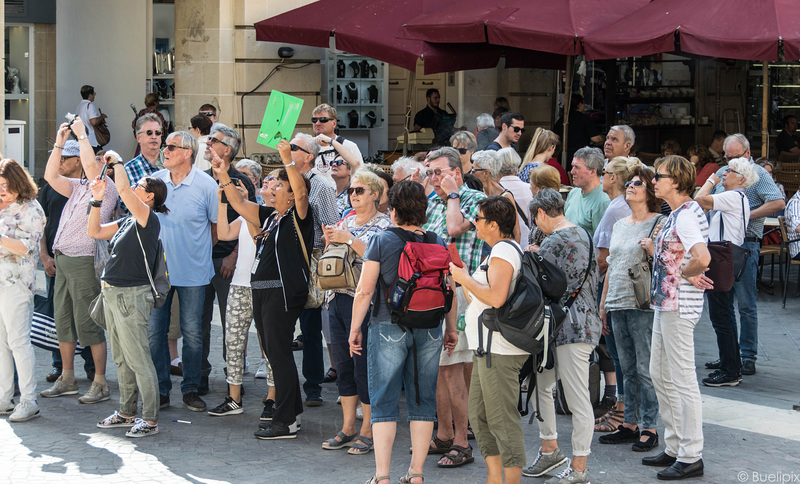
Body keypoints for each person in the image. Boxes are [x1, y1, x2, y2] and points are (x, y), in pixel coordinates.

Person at [348, 181, 458, 484]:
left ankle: (382, 475)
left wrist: (355, 328)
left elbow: (364, 290)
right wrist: (451, 328)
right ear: (423, 210)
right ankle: (416, 473)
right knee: (422, 400)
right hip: (431, 326)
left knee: (384, 399)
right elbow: (450, 290)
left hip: (388, 325)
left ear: (392, 209)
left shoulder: (382, 241)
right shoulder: (437, 240)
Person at [217, 139, 312, 440]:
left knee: (279, 356)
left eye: (276, 182)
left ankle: (284, 420)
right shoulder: (271, 216)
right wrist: (222, 174)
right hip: (263, 290)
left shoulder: (299, 216)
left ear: (289, 192)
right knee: (275, 353)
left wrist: (286, 159)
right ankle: (292, 415)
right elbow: (238, 204)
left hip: (282, 293)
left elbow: (300, 191)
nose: (270, 184)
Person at [521, 188, 600, 484]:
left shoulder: (553, 240)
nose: (535, 228)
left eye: (535, 220)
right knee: (542, 386)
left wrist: (533, 257)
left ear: (541, 213)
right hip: (583, 323)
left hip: (567, 327)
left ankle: (579, 468)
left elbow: (542, 286)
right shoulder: (583, 233)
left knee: (576, 399)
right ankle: (550, 448)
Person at [88, 153, 169, 438]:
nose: (134, 186)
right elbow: (94, 230)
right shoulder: (127, 221)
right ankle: (126, 412)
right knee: (122, 359)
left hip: (131, 296)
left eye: (140, 186)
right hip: (112, 294)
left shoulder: (149, 218)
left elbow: (122, 189)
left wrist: (119, 163)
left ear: (150, 197)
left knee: (138, 359)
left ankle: (149, 418)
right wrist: (97, 200)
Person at [448, 196, 527, 484]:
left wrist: (465, 279)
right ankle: (494, 478)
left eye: (479, 219)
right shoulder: (496, 251)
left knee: (502, 420)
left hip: (501, 350)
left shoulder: (503, 252)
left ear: (494, 224)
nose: (475, 224)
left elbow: (496, 297)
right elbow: (479, 299)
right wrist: (464, 276)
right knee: (480, 418)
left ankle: (510, 480)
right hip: (487, 347)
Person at [643, 155, 712, 480]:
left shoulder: (684, 215)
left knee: (682, 379)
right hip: (666, 303)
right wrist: (684, 270)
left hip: (678, 305)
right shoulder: (680, 213)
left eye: (660, 175)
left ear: (678, 181)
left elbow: (701, 256)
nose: (654, 180)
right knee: (660, 372)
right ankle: (675, 445)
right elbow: (680, 256)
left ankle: (690, 454)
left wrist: (686, 273)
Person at [40, 120, 118, 404]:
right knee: (63, 320)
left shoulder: (106, 188)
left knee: (89, 323)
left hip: (84, 261)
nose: (92, 162)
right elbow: (50, 175)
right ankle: (68, 378)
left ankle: (99, 381)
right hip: (63, 261)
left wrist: (82, 135)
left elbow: (89, 164)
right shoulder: (77, 186)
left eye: (98, 159)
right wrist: (60, 142)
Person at [320, 169, 392, 455]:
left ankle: (367, 428)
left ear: (375, 194)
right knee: (343, 365)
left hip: (363, 302)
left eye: (359, 190)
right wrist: (330, 239)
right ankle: (348, 426)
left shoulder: (383, 224)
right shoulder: (345, 220)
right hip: (335, 297)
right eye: (351, 190)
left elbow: (378, 258)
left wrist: (348, 239)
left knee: (364, 367)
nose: (353, 195)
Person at [424, 147, 487, 468]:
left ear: (457, 173)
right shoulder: (430, 201)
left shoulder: (474, 201)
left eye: (438, 172)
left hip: (461, 293)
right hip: (434, 291)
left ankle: (462, 441)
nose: (432, 178)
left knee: (453, 369)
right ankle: (445, 433)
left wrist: (452, 196)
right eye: (429, 172)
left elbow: (451, 229)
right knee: (440, 368)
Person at [147, 131, 218, 413]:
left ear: (188, 153)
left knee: (192, 333)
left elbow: (216, 228)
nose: (165, 150)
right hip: (158, 273)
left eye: (171, 147)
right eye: (165, 146)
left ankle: (190, 389)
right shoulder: (156, 182)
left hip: (194, 272)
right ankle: (161, 390)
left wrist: (196, 250)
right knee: (155, 333)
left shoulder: (206, 185)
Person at [706, 134, 784, 376]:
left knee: (746, 304)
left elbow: (778, 202)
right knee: (722, 306)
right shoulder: (724, 172)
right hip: (720, 246)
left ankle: (747, 355)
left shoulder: (756, 173)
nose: (731, 161)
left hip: (746, 244)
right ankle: (728, 356)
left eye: (736, 156)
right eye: (727, 157)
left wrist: (745, 214)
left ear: (748, 154)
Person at [597, 166, 663, 451]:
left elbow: (670, 264)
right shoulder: (621, 224)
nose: (631, 186)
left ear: (649, 190)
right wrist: (603, 303)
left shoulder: (659, 223)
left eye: (638, 183)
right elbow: (612, 265)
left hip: (642, 304)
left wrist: (653, 250)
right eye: (630, 182)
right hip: (616, 301)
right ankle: (629, 423)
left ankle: (649, 426)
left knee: (644, 367)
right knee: (626, 366)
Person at [206, 172, 270, 417]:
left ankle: (272, 397)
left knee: (269, 344)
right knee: (233, 343)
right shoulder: (244, 216)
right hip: (239, 286)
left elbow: (257, 236)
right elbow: (223, 233)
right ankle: (233, 399)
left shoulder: (270, 215)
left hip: (263, 287)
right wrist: (224, 202)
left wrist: (242, 203)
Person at [200, 124, 256, 395]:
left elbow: (250, 219)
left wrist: (234, 256)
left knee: (231, 324)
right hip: (199, 263)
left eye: (214, 140)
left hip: (226, 261)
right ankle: (198, 375)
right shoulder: (198, 178)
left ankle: (233, 377)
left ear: (227, 150)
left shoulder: (240, 181)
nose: (208, 143)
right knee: (197, 322)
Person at [695, 158, 757, 387]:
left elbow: (697, 201)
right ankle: (729, 360)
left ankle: (731, 370)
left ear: (741, 179)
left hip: (721, 257)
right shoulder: (736, 197)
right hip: (725, 256)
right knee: (724, 314)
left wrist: (710, 181)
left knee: (721, 315)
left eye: (729, 171)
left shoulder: (732, 196)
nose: (723, 173)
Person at [39, 141, 95, 384]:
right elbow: (42, 222)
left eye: (64, 158)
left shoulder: (88, 188)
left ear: (78, 160)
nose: (59, 162)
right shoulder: (50, 187)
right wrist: (44, 255)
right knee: (57, 313)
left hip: (82, 261)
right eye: (57, 157)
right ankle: (60, 365)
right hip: (54, 261)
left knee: (88, 313)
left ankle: (93, 366)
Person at [592, 157, 641, 431]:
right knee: (621, 353)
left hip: (614, 285)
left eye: (606, 172)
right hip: (619, 284)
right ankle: (624, 410)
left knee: (619, 353)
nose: (602, 175)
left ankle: (623, 411)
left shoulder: (616, 209)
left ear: (614, 178)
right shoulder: (621, 207)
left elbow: (604, 258)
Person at [291, 133, 339, 406]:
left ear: (308, 155)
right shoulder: (283, 180)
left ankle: (313, 387)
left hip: (309, 262)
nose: (287, 150)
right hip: (285, 261)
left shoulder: (320, 185)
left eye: (293, 147)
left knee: (309, 328)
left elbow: (331, 225)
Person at [0, 159, 45, 422]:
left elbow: (26, 247)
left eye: (6, 185)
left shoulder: (31, 209)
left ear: (18, 183)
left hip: (17, 284)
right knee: (1, 343)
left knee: (19, 342)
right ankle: (4, 398)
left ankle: (29, 400)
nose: (2, 190)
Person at [471, 149, 523, 243]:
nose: (471, 173)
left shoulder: (505, 196)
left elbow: (516, 233)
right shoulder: (478, 194)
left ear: (486, 173)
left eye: (474, 170)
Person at [565, 147, 610, 237]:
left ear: (593, 171)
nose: (572, 171)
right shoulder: (574, 193)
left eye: (577, 167)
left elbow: (601, 242)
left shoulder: (603, 201)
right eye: (572, 166)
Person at [553, 93, 603, 168]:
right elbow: (596, 139)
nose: (584, 105)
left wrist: (562, 143)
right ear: (579, 104)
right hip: (582, 157)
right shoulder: (584, 119)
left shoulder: (563, 119)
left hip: (565, 156)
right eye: (583, 103)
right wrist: (603, 139)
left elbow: (554, 138)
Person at [313, 103, 363, 174]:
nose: (317, 123)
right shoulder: (307, 145)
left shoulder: (349, 146)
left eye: (323, 120)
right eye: (314, 120)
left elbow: (361, 173)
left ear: (334, 123)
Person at [125, 114, 165, 189]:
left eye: (157, 132)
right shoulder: (128, 169)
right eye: (149, 133)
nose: (154, 136)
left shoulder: (173, 163)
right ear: (138, 138)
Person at [527, 164, 562, 246]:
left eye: (531, 185)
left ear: (541, 189)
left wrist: (538, 250)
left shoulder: (549, 214)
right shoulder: (559, 207)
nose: (530, 188)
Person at [75, 85, 107, 153]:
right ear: (90, 95)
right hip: (92, 140)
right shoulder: (89, 105)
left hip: (82, 138)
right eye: (94, 94)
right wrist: (102, 117)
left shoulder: (79, 106)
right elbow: (93, 121)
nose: (94, 96)